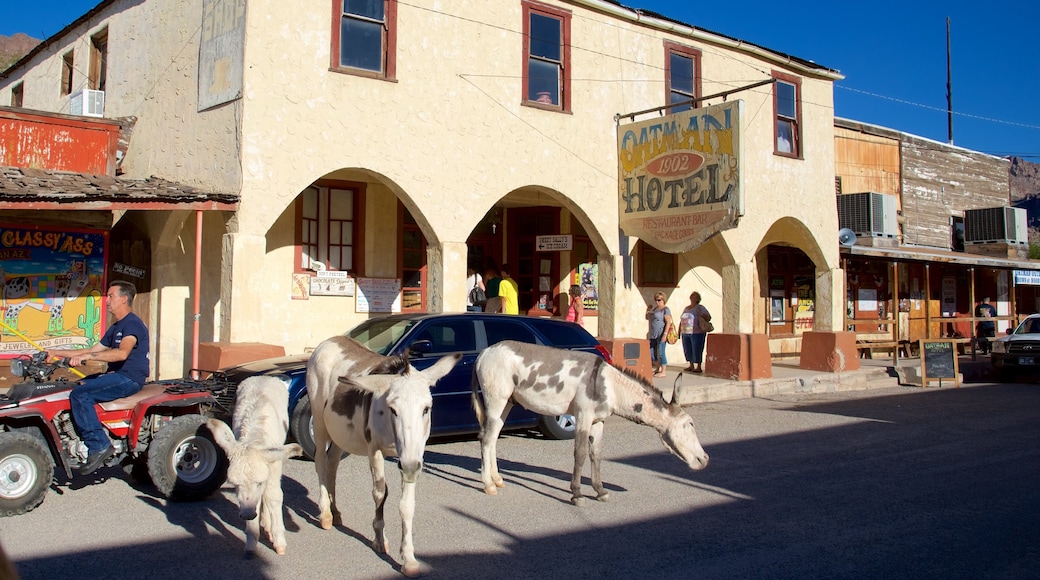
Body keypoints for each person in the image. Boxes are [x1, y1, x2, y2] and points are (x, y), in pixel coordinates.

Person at [47, 281, 150, 475]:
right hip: (115, 375)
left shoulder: (132, 324)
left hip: (129, 378)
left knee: (80, 394)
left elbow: (122, 354)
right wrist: (56, 352)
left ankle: (99, 445)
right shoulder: (116, 326)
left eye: (111, 296)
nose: (107, 300)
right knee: (75, 385)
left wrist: (88, 357)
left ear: (123, 299)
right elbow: (91, 350)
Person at [679, 291, 711, 373]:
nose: (693, 298)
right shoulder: (686, 308)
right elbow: (682, 319)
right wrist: (679, 330)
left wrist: (702, 315)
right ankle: (691, 365)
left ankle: (699, 366)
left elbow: (708, 317)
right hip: (686, 332)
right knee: (687, 348)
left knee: (697, 349)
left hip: (697, 332)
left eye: (695, 297)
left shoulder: (700, 308)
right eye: (692, 296)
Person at [646, 291, 672, 378]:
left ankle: (663, 371)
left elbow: (668, 322)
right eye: (656, 300)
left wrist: (665, 334)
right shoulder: (655, 309)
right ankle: (657, 368)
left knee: (661, 352)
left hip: (661, 334)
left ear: (663, 300)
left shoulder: (665, 309)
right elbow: (647, 318)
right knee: (652, 353)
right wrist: (648, 310)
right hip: (653, 334)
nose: (657, 302)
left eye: (659, 300)